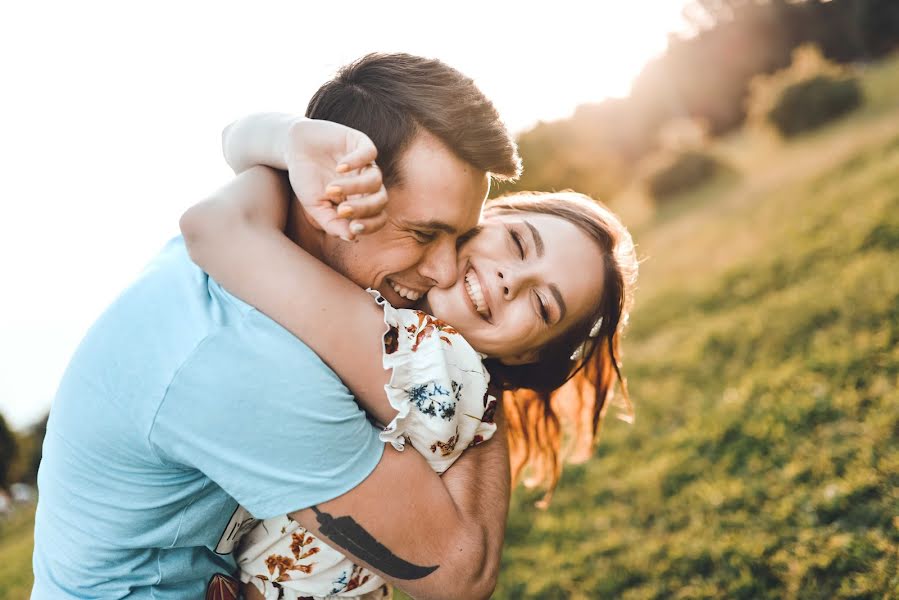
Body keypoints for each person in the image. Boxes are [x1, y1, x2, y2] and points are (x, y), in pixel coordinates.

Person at [31, 53, 521, 600]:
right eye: (424, 234)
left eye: (459, 238)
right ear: (330, 196)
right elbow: (459, 573)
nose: (446, 271)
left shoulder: (252, 240)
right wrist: (476, 387)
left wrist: (285, 137)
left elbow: (241, 140)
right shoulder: (247, 360)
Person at [179, 122, 638, 600]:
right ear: (483, 217)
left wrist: (289, 142)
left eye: (543, 306)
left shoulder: (433, 362)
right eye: (519, 244)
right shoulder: (399, 313)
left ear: (527, 354)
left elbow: (219, 224)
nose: (510, 280)